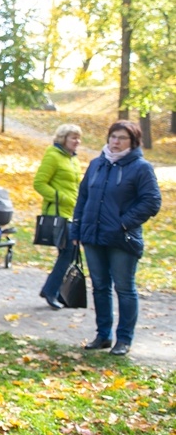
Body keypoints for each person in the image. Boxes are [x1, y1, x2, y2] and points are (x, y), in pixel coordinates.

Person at [71, 120, 161, 356]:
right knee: (100, 287)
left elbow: (151, 201)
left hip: (122, 239)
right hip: (92, 236)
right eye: (113, 137)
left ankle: (124, 339)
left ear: (133, 142)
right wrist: (76, 229)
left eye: (122, 138)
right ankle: (103, 336)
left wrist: (123, 223)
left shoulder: (141, 167)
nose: (116, 142)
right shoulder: (97, 164)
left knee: (124, 287)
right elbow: (83, 198)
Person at [33, 124, 83, 310]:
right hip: (58, 213)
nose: (77, 142)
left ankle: (53, 290)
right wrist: (62, 198)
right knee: (67, 253)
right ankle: (51, 290)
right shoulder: (53, 155)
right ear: (63, 138)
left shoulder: (73, 159)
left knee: (67, 254)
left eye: (78, 138)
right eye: (73, 138)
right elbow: (39, 183)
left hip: (72, 214)